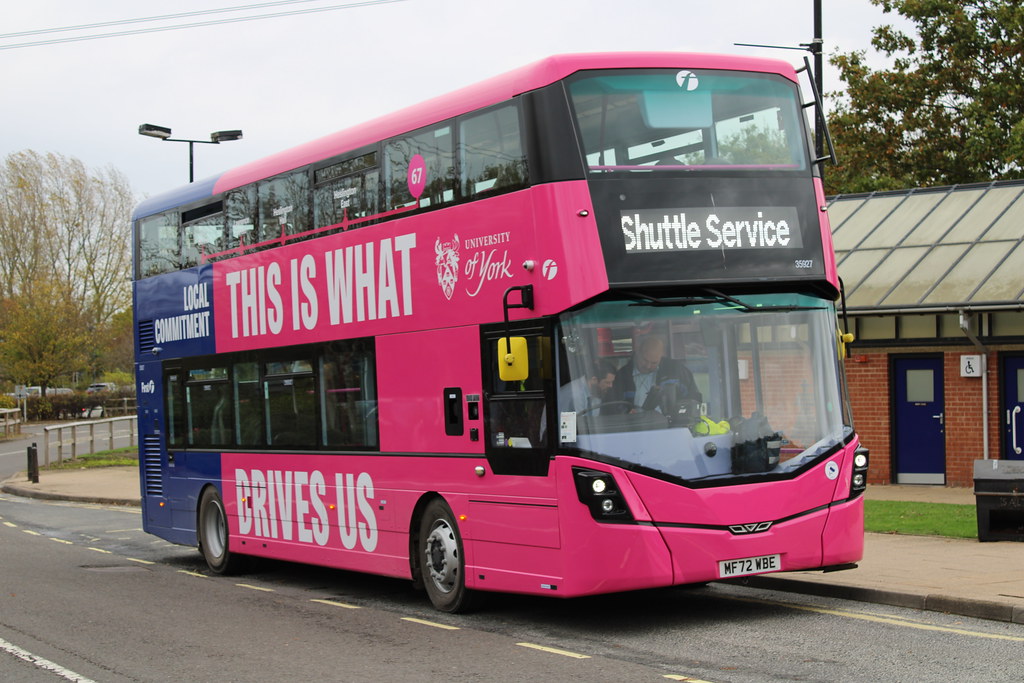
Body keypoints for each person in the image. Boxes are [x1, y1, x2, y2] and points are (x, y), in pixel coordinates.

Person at [608, 335, 700, 413]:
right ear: (638, 352)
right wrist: (627, 414)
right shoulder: (622, 376)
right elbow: (612, 407)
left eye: (654, 363)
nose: (648, 366)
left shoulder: (676, 371)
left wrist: (679, 412)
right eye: (645, 360)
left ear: (661, 356)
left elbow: (694, 399)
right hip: (634, 429)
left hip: (671, 429)